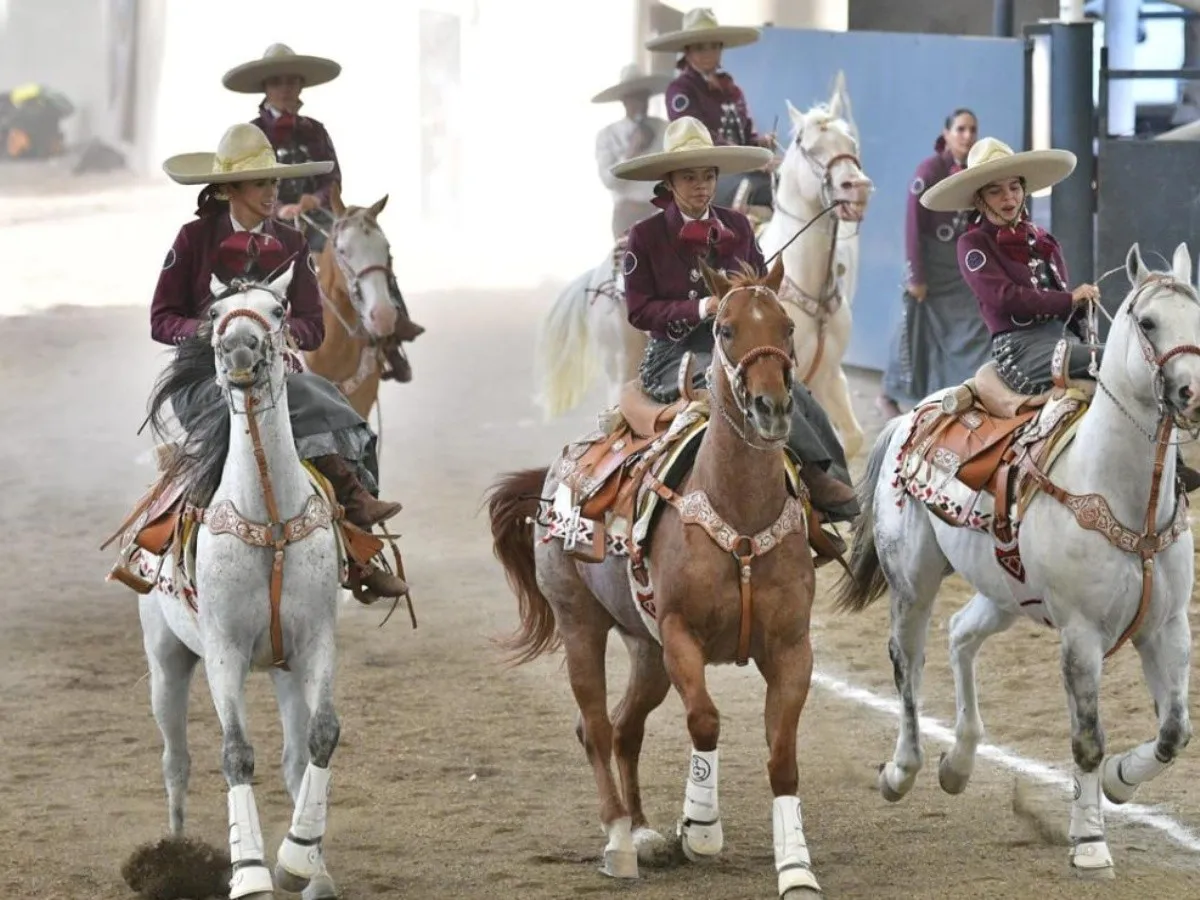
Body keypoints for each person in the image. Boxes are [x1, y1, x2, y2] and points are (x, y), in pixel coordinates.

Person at [140, 121, 410, 598]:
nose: (272, 191)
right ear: (230, 189)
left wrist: (285, 336)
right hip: (204, 380)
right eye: (261, 182)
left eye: (273, 181)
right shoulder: (192, 239)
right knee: (236, 426)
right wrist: (206, 331)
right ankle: (168, 552)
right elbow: (161, 319)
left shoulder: (291, 242)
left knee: (322, 398)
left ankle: (358, 538)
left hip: (275, 380)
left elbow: (313, 323)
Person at [612, 116, 859, 523]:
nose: (701, 185)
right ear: (669, 182)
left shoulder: (739, 225)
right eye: (689, 177)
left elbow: (762, 287)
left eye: (708, 176)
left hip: (740, 346)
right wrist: (700, 309)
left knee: (800, 396)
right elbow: (640, 311)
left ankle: (828, 485)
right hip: (676, 358)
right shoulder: (645, 235)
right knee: (736, 387)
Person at [919, 135, 1200, 491]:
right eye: (995, 192)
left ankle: (1162, 466)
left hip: (1063, 343)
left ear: (1023, 190)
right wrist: (1069, 300)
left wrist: (1080, 313)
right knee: (1128, 364)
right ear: (979, 198)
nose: (1008, 198)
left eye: (1013, 188)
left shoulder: (1044, 239)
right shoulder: (973, 244)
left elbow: (1064, 307)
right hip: (1020, 351)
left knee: (1135, 364)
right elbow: (1003, 298)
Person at [223, 43, 423, 383]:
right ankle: (234, 347)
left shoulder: (315, 129)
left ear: (301, 87)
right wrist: (274, 207)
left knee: (364, 247)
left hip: (316, 218)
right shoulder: (250, 133)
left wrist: (314, 201)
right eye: (278, 82)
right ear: (266, 88)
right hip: (266, 220)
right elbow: (242, 183)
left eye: (292, 81)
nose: (286, 88)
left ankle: (390, 337)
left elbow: (332, 176)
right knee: (244, 275)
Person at [879, 108, 989, 417]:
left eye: (972, 129)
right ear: (946, 134)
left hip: (961, 269)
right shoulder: (928, 171)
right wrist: (916, 276)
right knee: (912, 327)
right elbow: (913, 225)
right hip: (930, 265)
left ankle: (957, 392)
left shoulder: (976, 171)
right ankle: (889, 394)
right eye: (961, 129)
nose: (967, 135)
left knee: (973, 327)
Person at [646, 7, 777, 213]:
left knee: (786, 186)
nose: (708, 53)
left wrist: (760, 144)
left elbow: (747, 134)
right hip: (704, 176)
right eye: (700, 47)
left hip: (742, 171)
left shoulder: (732, 90)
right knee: (764, 191)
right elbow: (697, 138)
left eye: (713, 46)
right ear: (687, 50)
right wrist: (747, 161)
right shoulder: (681, 90)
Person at [592, 63, 671, 239]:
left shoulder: (664, 129)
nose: (640, 103)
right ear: (624, 100)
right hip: (628, 213)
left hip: (659, 212)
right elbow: (608, 180)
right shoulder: (608, 135)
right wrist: (631, 152)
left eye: (643, 97)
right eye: (634, 98)